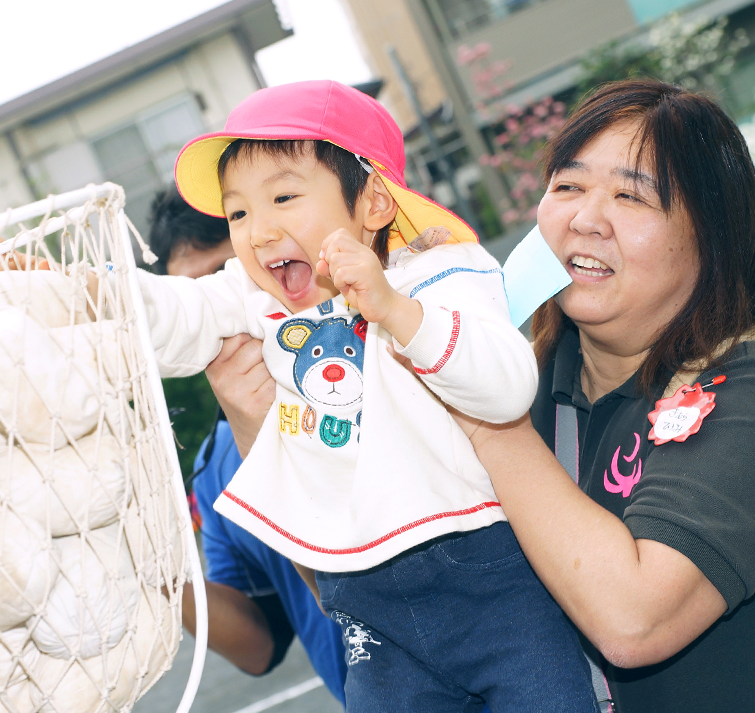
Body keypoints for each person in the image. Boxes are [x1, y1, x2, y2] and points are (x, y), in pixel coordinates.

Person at [136, 80, 596, 712]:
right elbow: (166, 314)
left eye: (284, 197)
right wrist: (65, 290)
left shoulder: (440, 273)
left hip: (489, 576)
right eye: (238, 212)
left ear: (374, 200)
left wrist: (397, 313)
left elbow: (507, 385)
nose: (258, 232)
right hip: (368, 606)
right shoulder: (255, 298)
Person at [446, 79, 755, 713]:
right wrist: (253, 405)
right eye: (567, 186)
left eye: (631, 195)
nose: (585, 219)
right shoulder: (523, 381)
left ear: (712, 231)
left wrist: (482, 417)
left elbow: (636, 620)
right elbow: (377, 573)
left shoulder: (741, 386)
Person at [146, 186, 349, 703]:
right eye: (191, 296)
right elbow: (258, 646)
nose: (216, 311)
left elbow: (355, 584)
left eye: (224, 277)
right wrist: (152, 568)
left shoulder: (367, 366)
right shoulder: (214, 468)